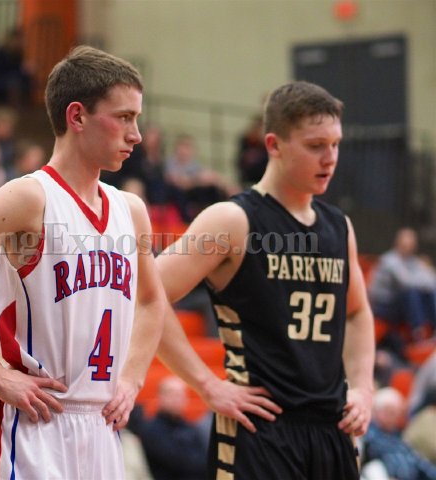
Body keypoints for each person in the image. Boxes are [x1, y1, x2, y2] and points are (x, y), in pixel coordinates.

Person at [0, 45, 166, 479]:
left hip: (101, 428)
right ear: (77, 116)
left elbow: (153, 301)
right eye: (124, 117)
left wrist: (133, 378)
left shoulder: (131, 209)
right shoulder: (29, 197)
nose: (136, 134)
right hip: (34, 425)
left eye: (136, 119)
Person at [156, 81, 375, 479]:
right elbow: (144, 293)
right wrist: (207, 385)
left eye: (335, 144)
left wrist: (362, 388)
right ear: (274, 145)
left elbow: (357, 313)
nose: (330, 158)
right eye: (316, 145)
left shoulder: (339, 226)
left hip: (332, 430)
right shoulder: (232, 220)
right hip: (261, 430)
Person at [130, 376, 210, 479]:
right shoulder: (151, 429)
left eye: (180, 395)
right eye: (171, 394)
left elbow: (204, 460)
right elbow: (177, 462)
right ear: (160, 397)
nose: (176, 399)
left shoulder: (191, 427)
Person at [369, 227, 436, 341]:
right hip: (383, 305)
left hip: (400, 305)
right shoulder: (389, 260)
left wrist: (422, 278)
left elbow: (432, 281)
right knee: (411, 292)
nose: (408, 247)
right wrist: (422, 279)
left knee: (429, 292)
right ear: (397, 243)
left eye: (411, 244)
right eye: (405, 244)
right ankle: (418, 332)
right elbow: (406, 282)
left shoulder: (413, 261)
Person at [362, 387, 436, 480]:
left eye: (396, 413)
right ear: (376, 411)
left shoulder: (397, 437)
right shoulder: (368, 435)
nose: (393, 418)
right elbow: (373, 462)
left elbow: (419, 462)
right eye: (389, 412)